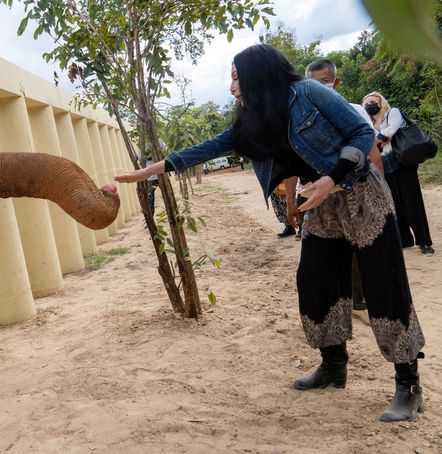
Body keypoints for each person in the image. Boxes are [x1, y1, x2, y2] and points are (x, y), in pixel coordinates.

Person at [115, 44, 425, 422]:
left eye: (235, 76)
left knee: (383, 285)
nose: (232, 87)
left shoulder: (309, 93)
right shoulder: (254, 117)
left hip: (360, 193)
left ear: (258, 74)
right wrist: (155, 169)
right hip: (320, 202)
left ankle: (408, 384)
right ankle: (333, 365)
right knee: (314, 282)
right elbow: (215, 146)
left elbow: (362, 133)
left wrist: (334, 177)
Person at [299, 59, 384, 326]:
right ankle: (337, 309)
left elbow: (371, 151)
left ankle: (361, 302)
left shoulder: (353, 110)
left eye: (324, 82)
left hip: (356, 191)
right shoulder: (306, 117)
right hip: (322, 199)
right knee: (325, 258)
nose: (319, 88)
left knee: (362, 249)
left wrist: (382, 188)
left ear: (335, 83)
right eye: (312, 84)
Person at [363, 91, 435, 256]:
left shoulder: (392, 113)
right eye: (366, 104)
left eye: (372, 102)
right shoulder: (367, 124)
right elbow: (376, 140)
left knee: (412, 204)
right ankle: (405, 239)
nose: (369, 106)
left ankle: (424, 242)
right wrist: (381, 139)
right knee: (393, 205)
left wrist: (379, 139)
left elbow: (391, 130)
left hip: (402, 164)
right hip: (383, 168)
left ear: (381, 102)